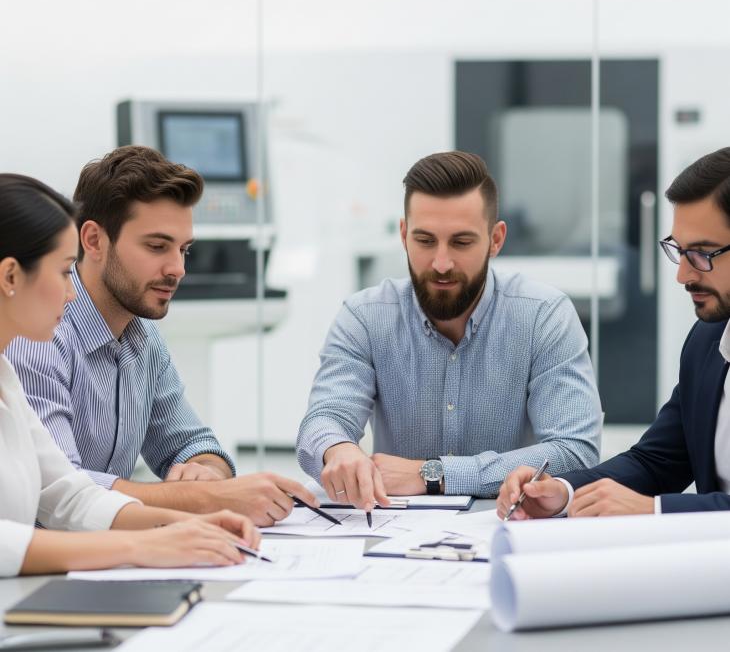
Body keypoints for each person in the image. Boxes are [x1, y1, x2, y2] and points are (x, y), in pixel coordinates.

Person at [6, 146, 317, 527]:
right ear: (93, 240)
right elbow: (63, 492)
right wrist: (203, 498)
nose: (178, 269)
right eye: (156, 246)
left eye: (184, 249)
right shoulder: (35, 338)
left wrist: (206, 473)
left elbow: (195, 445)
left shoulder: (143, 337)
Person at [296, 150, 601, 510]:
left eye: (461, 242)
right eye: (425, 241)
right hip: (394, 535)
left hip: (509, 527)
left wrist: (435, 474)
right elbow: (323, 421)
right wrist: (338, 448)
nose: (441, 263)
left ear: (496, 239)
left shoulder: (543, 317)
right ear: (404, 234)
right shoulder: (365, 317)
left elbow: (576, 451)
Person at [0, 173, 259, 577]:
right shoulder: (31, 350)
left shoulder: (5, 377)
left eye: (183, 250)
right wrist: (148, 540)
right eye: (66, 272)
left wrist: (188, 522)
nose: (71, 293)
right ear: (11, 277)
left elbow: (67, 493)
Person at [496, 147, 730, 518]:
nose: (683, 275)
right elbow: (656, 461)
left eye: (702, 254)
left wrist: (655, 510)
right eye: (679, 251)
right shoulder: (708, 343)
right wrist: (564, 491)